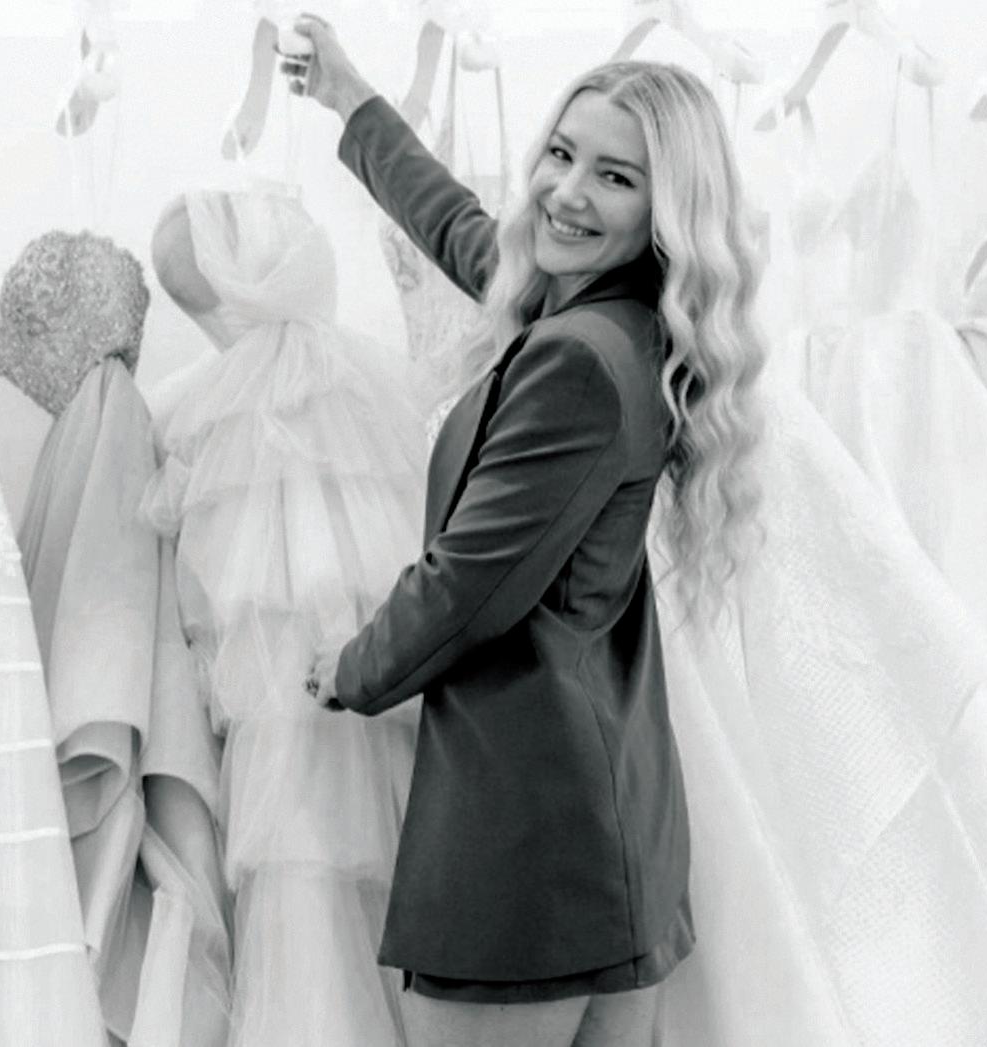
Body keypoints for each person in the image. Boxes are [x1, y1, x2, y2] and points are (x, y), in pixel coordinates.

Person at [287, 17, 767, 1047]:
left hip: (526, 835)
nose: (566, 192)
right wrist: (351, 100)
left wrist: (349, 671)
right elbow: (473, 235)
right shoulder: (627, 323)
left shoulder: (577, 360)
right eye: (560, 154)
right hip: (605, 818)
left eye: (614, 177)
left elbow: (468, 583)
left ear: (666, 213)